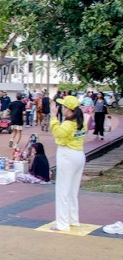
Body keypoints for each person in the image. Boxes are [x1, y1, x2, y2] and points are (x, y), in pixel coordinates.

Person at [50, 95, 86, 232]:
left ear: (68, 109)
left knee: (62, 190)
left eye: (63, 106)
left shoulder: (67, 124)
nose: (61, 108)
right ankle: (73, 219)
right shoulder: (81, 122)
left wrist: (53, 117)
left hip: (67, 155)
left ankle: (62, 223)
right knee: (72, 190)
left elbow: (58, 133)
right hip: (79, 154)